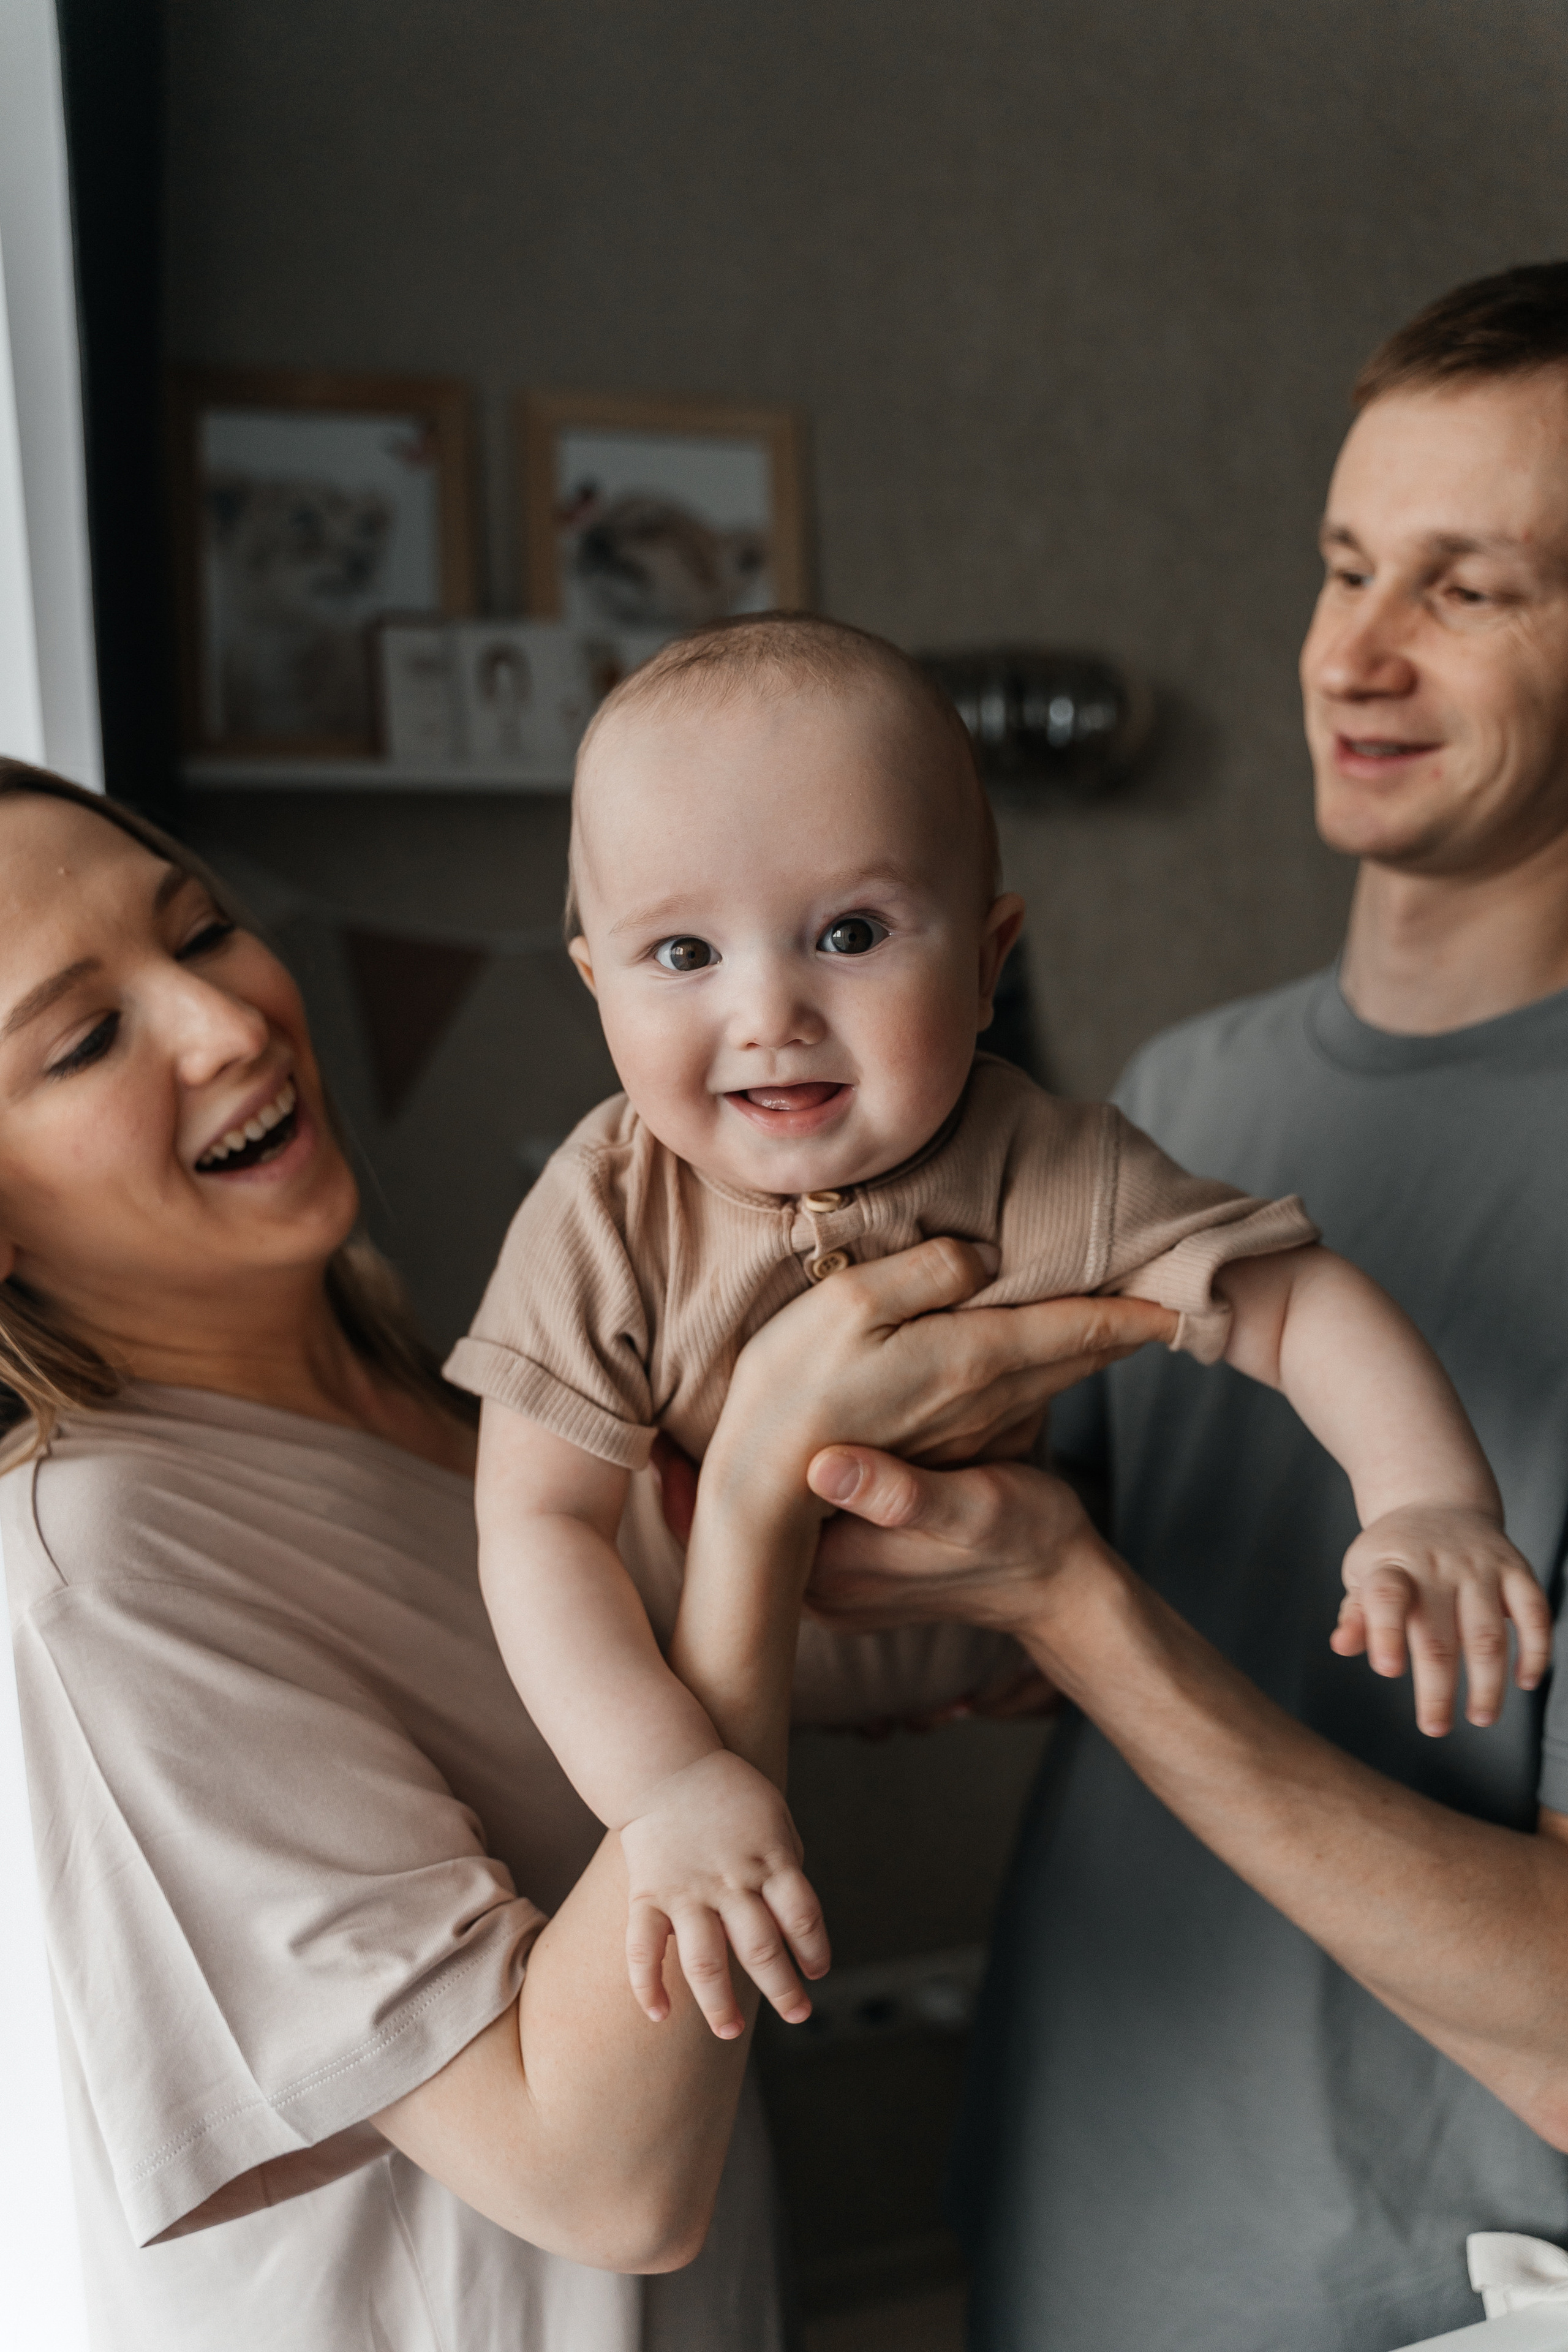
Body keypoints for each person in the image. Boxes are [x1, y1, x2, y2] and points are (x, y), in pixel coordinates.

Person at [0, 761, 1156, 2349]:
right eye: (80, 1040)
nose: (228, 1025)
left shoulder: (432, 1407)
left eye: (197, 934)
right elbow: (600, 2178)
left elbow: (743, 1672)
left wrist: (1008, 1583)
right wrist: (756, 1488)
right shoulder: (96, 1569)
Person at [447, 610, 1545, 2042]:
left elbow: (1293, 1302)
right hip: (681, 1700)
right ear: (595, 982)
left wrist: (1423, 1501)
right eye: (680, 952)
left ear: (983, 961)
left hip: (997, 1663)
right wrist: (663, 1783)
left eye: (847, 934)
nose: (767, 1009)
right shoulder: (605, 1212)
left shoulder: (1040, 1162)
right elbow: (534, 1526)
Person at [914, 260, 1568, 2350]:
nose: (1355, 656)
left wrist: (1074, 1612)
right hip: (1073, 2242)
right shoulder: (1190, 1099)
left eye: (1472, 590)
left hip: (1406, 2307)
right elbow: (976, 1635)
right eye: (1348, 564)